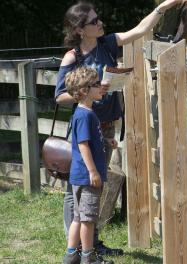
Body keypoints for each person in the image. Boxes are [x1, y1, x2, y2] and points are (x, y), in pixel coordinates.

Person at [55, 0, 186, 257]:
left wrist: (162, 8)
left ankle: (91, 243)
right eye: (94, 21)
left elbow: (139, 30)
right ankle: (78, 249)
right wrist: (89, 89)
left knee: (96, 186)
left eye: (98, 18)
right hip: (85, 127)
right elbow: (59, 96)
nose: (100, 23)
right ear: (80, 30)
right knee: (78, 190)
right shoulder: (72, 57)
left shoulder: (108, 44)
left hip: (106, 126)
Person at [61, 67, 112, 264]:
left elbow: (87, 140)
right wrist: (93, 171)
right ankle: (87, 257)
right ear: (84, 91)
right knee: (88, 219)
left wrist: (106, 141)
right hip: (87, 176)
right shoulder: (85, 115)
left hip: (79, 175)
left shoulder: (84, 113)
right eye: (97, 84)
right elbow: (83, 145)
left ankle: (71, 255)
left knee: (77, 217)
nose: (101, 86)